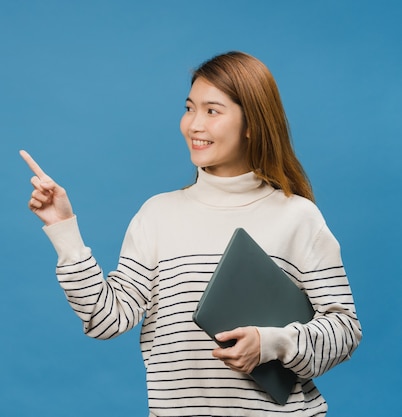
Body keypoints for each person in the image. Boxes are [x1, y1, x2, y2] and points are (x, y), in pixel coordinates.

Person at [19, 51, 361, 416]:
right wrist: (62, 228)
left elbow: (344, 331)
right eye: (189, 108)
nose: (194, 125)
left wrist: (270, 343)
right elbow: (106, 319)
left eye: (212, 111)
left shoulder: (298, 216)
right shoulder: (157, 214)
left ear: (251, 123)